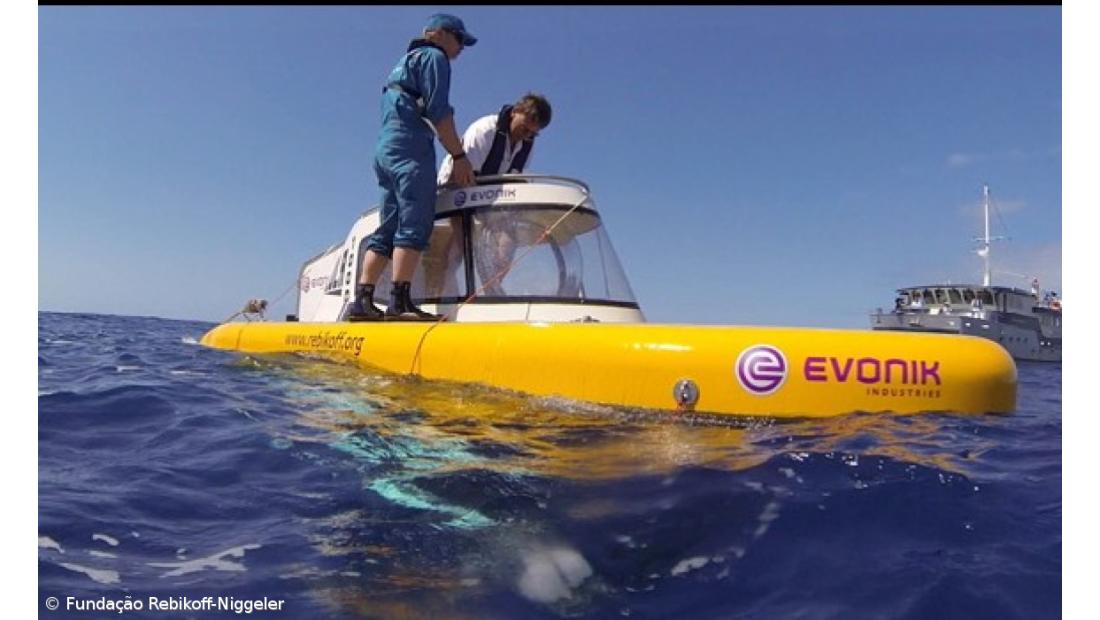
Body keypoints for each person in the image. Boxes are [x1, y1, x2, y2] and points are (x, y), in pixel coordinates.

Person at [347, 14, 478, 322]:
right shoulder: (435, 57)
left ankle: (362, 302)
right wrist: (459, 157)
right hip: (411, 149)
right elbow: (439, 113)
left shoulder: (404, 63)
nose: (461, 48)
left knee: (388, 227)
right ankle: (400, 302)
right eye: (459, 39)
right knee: (415, 223)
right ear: (440, 35)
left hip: (386, 149)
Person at [437, 93, 553, 184]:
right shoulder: (485, 130)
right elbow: (460, 178)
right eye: (524, 128)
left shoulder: (527, 145)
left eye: (533, 134)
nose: (526, 135)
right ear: (515, 111)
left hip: (488, 202)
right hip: (452, 193)